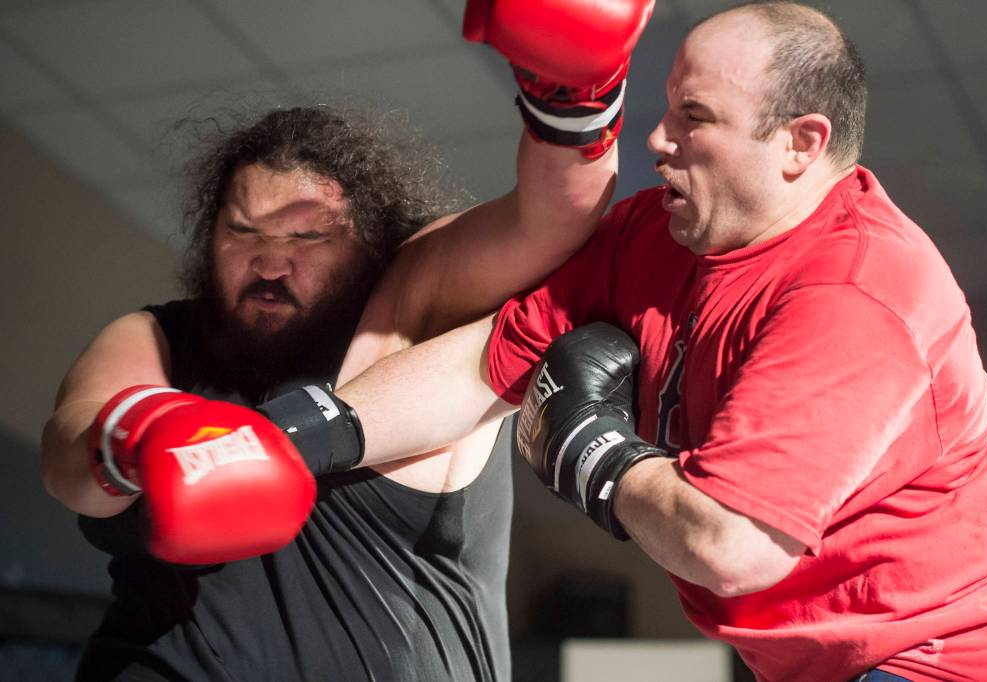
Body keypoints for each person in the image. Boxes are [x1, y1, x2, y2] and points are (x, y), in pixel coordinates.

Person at [327, 2, 987, 680]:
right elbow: (483, 363)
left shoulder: (856, 289)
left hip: (966, 649)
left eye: (694, 117)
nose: (658, 139)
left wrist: (600, 456)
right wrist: (299, 438)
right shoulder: (653, 239)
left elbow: (730, 543)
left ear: (800, 143)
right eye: (667, 110)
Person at [40, 1, 655, 679]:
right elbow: (68, 455)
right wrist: (144, 434)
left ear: (367, 242)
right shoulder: (159, 338)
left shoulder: (407, 312)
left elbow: (555, 219)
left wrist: (573, 95)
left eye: (307, 237)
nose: (270, 261)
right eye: (242, 231)